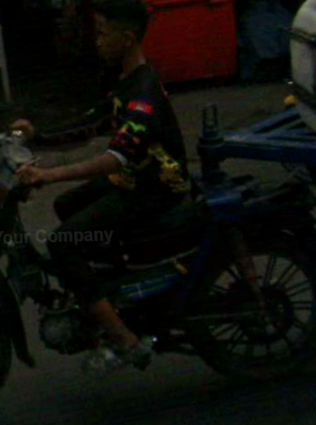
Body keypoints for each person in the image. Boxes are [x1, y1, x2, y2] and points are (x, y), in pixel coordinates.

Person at [12, 0, 190, 370]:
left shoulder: (143, 93)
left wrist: (48, 175)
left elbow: (116, 157)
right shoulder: (124, 80)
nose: (98, 41)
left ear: (127, 38)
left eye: (105, 33)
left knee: (62, 244)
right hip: (134, 180)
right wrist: (37, 135)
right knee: (65, 206)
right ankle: (112, 289)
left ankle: (124, 340)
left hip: (154, 188)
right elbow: (91, 124)